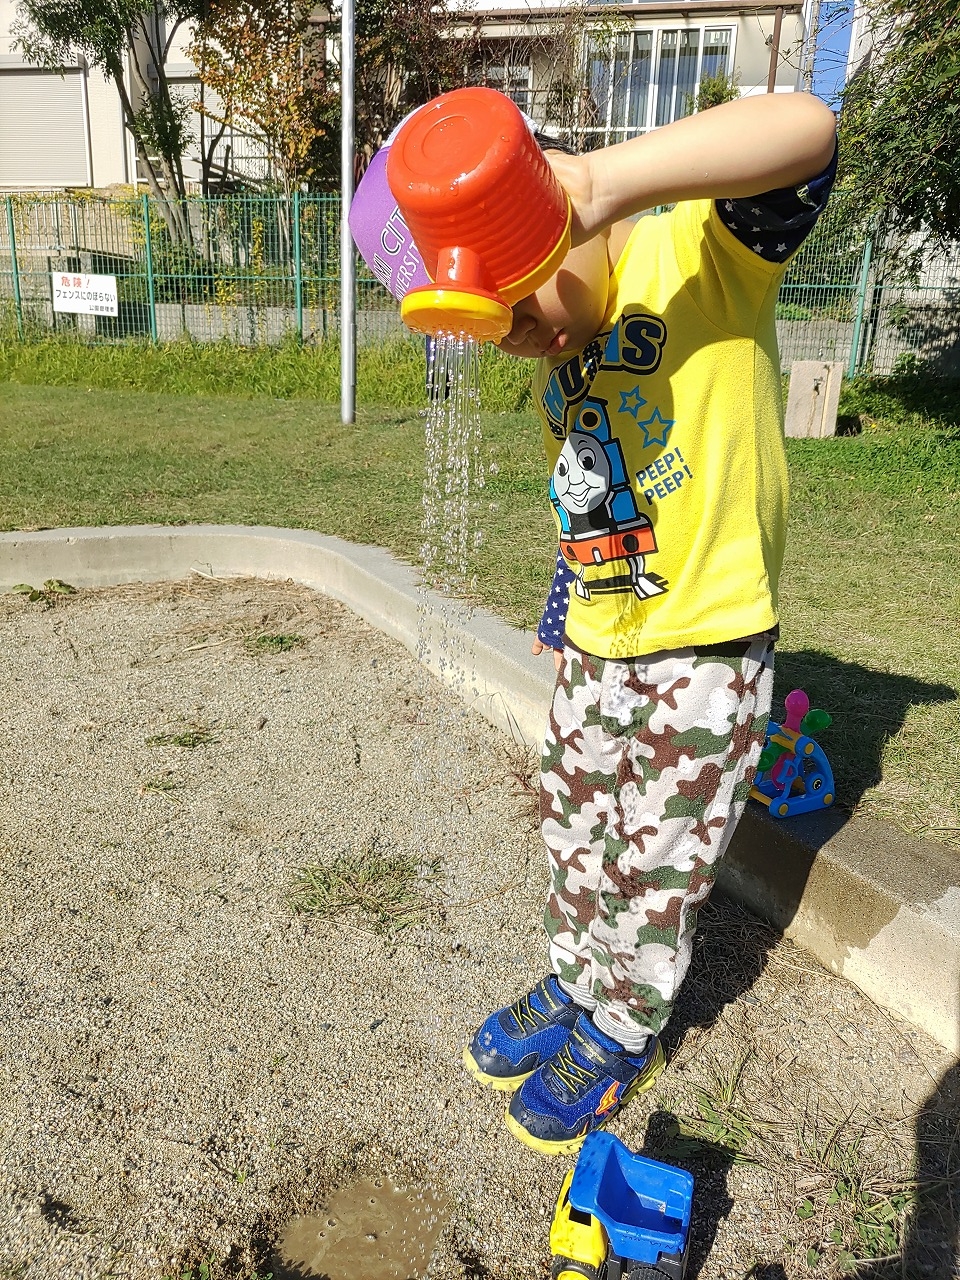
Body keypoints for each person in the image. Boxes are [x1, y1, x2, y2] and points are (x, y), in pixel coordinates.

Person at [350, 91, 838, 1157]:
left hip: (702, 647)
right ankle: (578, 979)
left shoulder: (703, 251)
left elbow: (806, 131)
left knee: (656, 855)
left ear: (560, 210)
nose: (532, 340)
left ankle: (622, 1025)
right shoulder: (560, 354)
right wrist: (565, 597)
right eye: (504, 334)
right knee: (576, 825)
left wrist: (598, 180)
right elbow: (589, 492)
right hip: (600, 645)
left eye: (526, 307)